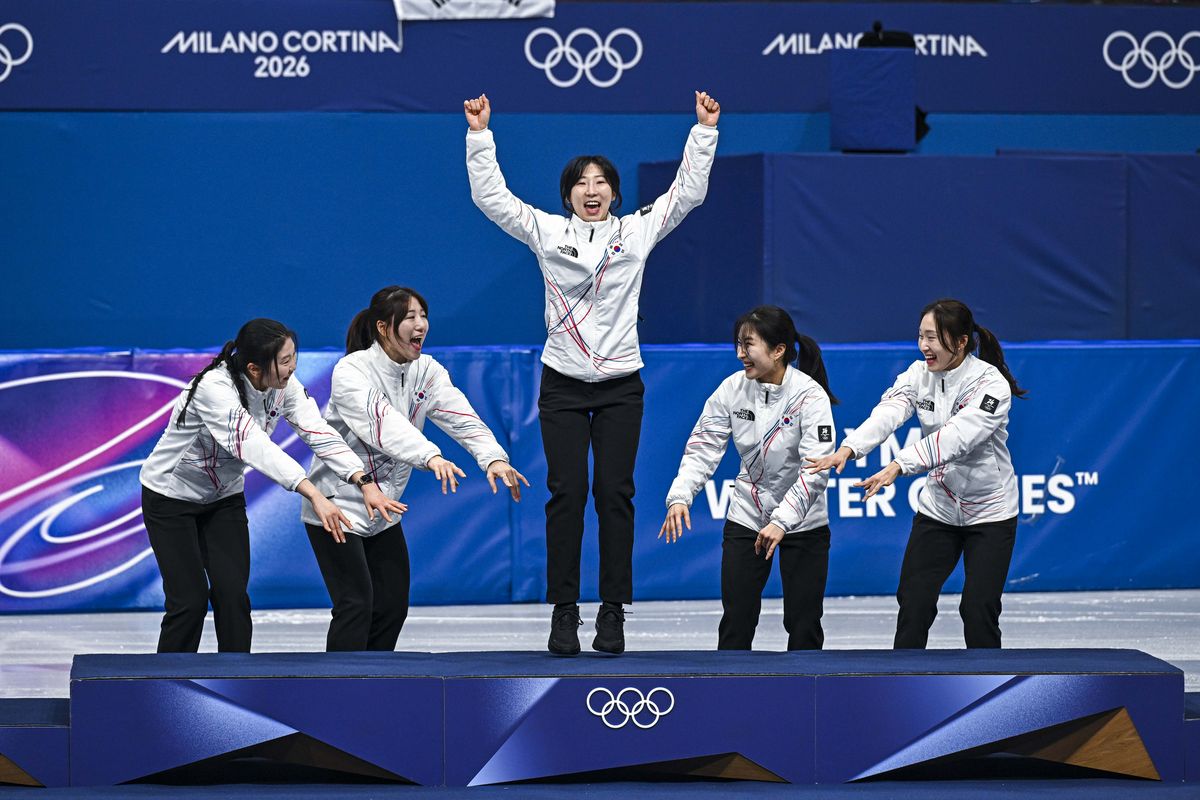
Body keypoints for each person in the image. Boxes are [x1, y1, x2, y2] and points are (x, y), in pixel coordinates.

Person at [463, 90, 721, 656]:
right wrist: (480, 135)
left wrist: (703, 131)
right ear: (568, 195)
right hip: (562, 385)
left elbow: (687, 194)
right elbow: (492, 198)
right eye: (581, 182)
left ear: (614, 192)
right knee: (566, 494)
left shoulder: (637, 231)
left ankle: (612, 613)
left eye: (601, 181)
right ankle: (562, 614)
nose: (592, 189)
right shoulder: (545, 231)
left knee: (615, 495)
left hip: (621, 387)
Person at [139, 318, 400, 653]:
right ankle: (167, 688)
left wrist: (361, 479)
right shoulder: (213, 389)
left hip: (223, 499)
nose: (293, 367)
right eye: (285, 361)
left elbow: (317, 430)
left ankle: (234, 683)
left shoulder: (283, 386)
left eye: (294, 357)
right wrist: (313, 492)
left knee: (232, 596)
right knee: (188, 600)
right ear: (254, 368)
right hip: (170, 499)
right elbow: (254, 446)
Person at [302, 286, 529, 652]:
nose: (420, 324)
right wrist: (431, 457)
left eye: (423, 315)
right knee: (356, 605)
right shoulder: (352, 371)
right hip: (338, 504)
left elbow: (461, 416)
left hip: (385, 509)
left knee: (391, 606)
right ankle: (340, 693)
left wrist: (493, 457)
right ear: (382, 327)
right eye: (409, 317)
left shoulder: (426, 370)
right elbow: (383, 425)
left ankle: (374, 687)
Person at [806, 299, 1026, 649]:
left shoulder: (990, 385)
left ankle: (987, 686)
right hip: (939, 508)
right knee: (914, 601)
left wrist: (898, 465)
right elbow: (888, 413)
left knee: (978, 607)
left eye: (933, 338)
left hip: (990, 511)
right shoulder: (917, 375)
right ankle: (903, 683)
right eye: (920, 336)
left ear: (961, 342)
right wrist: (849, 448)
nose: (924, 346)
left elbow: (956, 438)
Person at [660, 306, 838, 650]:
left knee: (803, 623)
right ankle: (728, 697)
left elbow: (815, 471)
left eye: (748, 345)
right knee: (736, 619)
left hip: (804, 525)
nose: (740, 354)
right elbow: (704, 447)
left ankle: (805, 698)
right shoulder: (732, 390)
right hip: (747, 517)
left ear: (778, 350)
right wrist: (680, 495)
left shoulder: (810, 397)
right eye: (738, 344)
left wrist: (783, 521)